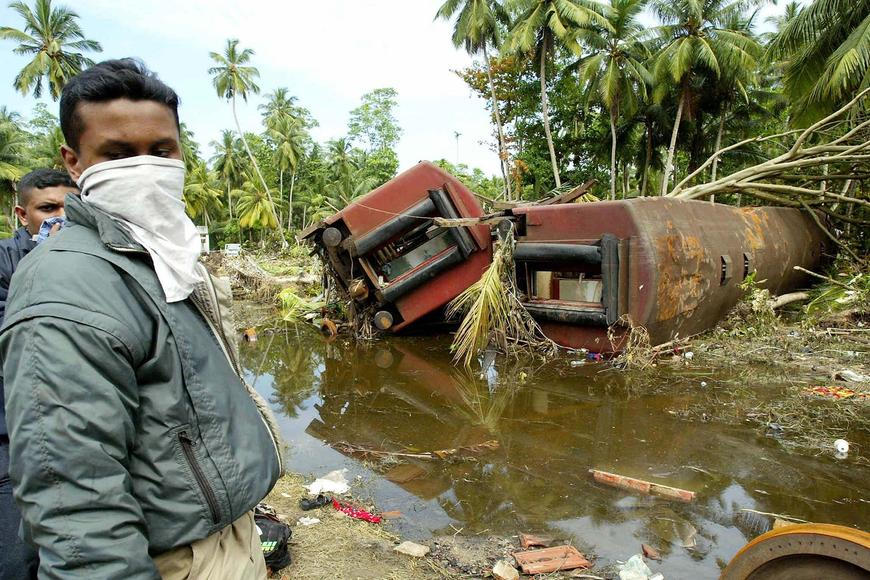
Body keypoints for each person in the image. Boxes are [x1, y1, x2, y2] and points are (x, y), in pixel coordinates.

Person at [0, 59, 283, 579]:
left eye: (161, 150)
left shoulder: (164, 254)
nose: (145, 167)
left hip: (225, 537)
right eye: (118, 154)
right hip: (173, 559)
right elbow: (75, 502)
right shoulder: (65, 286)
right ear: (74, 162)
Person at [0, 168, 75, 580]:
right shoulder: (5, 262)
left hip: (76, 425)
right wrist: (45, 265)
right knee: (20, 552)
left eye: (69, 206)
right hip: (13, 430)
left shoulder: (95, 260)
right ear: (22, 214)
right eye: (48, 208)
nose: (60, 216)